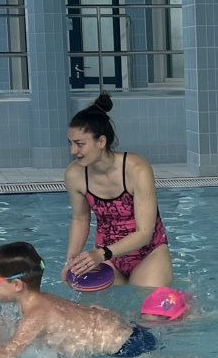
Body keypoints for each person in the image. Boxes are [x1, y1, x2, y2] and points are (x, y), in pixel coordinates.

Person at [0, 241, 161, 358]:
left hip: (128, 349)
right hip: (130, 331)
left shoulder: (35, 316)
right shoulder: (46, 299)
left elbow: (1, 357)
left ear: (17, 285)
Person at [63, 93, 173, 289]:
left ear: (101, 142)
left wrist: (101, 254)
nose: (73, 151)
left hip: (148, 252)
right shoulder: (75, 174)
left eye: (80, 144)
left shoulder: (136, 169)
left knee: (148, 306)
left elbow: (145, 233)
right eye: (70, 143)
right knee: (105, 308)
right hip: (106, 257)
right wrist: (71, 261)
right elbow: (80, 219)